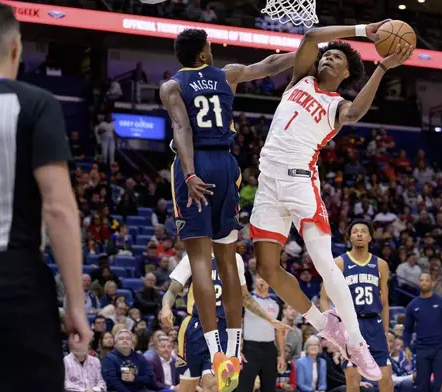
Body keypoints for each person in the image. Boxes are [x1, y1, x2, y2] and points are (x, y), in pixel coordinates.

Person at [248, 20, 413, 382]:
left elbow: (355, 114)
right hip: (267, 186)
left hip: (300, 183)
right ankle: (325, 325)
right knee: (267, 270)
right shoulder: (300, 81)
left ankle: (356, 342)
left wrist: (382, 67)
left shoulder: (338, 105)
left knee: (324, 261)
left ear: (347, 72)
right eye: (327, 55)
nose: (328, 59)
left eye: (337, 58)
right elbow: (309, 38)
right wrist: (361, 29)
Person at [159, 28, 295, 392]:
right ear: (203, 54)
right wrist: (307, 51)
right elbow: (269, 65)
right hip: (226, 167)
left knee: (201, 263)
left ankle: (216, 352)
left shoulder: (171, 86)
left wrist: (188, 173)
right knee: (228, 259)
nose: (212, 51)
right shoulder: (228, 74)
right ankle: (234, 349)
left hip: (195, 166)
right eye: (209, 47)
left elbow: (181, 127)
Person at [0, 3, 91, 391]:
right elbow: (57, 208)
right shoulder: (35, 103)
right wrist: (74, 302)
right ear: (16, 48)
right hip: (12, 286)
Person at [160, 252, 290, 392]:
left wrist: (270, 320)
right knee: (187, 387)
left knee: (214, 385)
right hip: (195, 327)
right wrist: (166, 307)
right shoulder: (193, 255)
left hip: (221, 329)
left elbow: (245, 297)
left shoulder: (236, 259)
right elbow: (172, 290)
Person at [320, 220, 393, 392]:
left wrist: (385, 331)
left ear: (370, 237)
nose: (359, 234)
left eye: (363, 231)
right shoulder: (339, 263)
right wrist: (333, 329)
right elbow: (324, 298)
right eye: (355, 231)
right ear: (350, 237)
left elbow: (385, 302)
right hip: (351, 326)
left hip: (374, 325)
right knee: (353, 383)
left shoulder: (381, 264)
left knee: (387, 380)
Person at [403, 274, 442, 392]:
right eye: (422, 280)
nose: (424, 282)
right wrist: (406, 347)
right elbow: (407, 330)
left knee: (441, 384)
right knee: (422, 385)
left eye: (427, 280)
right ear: (419, 283)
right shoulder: (412, 305)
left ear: (432, 283)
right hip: (422, 349)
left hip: (440, 348)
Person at [239, 275, 287, 392]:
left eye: (265, 278)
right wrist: (238, 350)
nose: (262, 280)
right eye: (259, 277)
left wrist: (282, 355)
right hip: (249, 349)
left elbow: (278, 330)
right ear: (255, 279)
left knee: (269, 388)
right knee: (243, 388)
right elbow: (238, 324)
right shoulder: (246, 299)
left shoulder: (276, 302)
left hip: (269, 350)